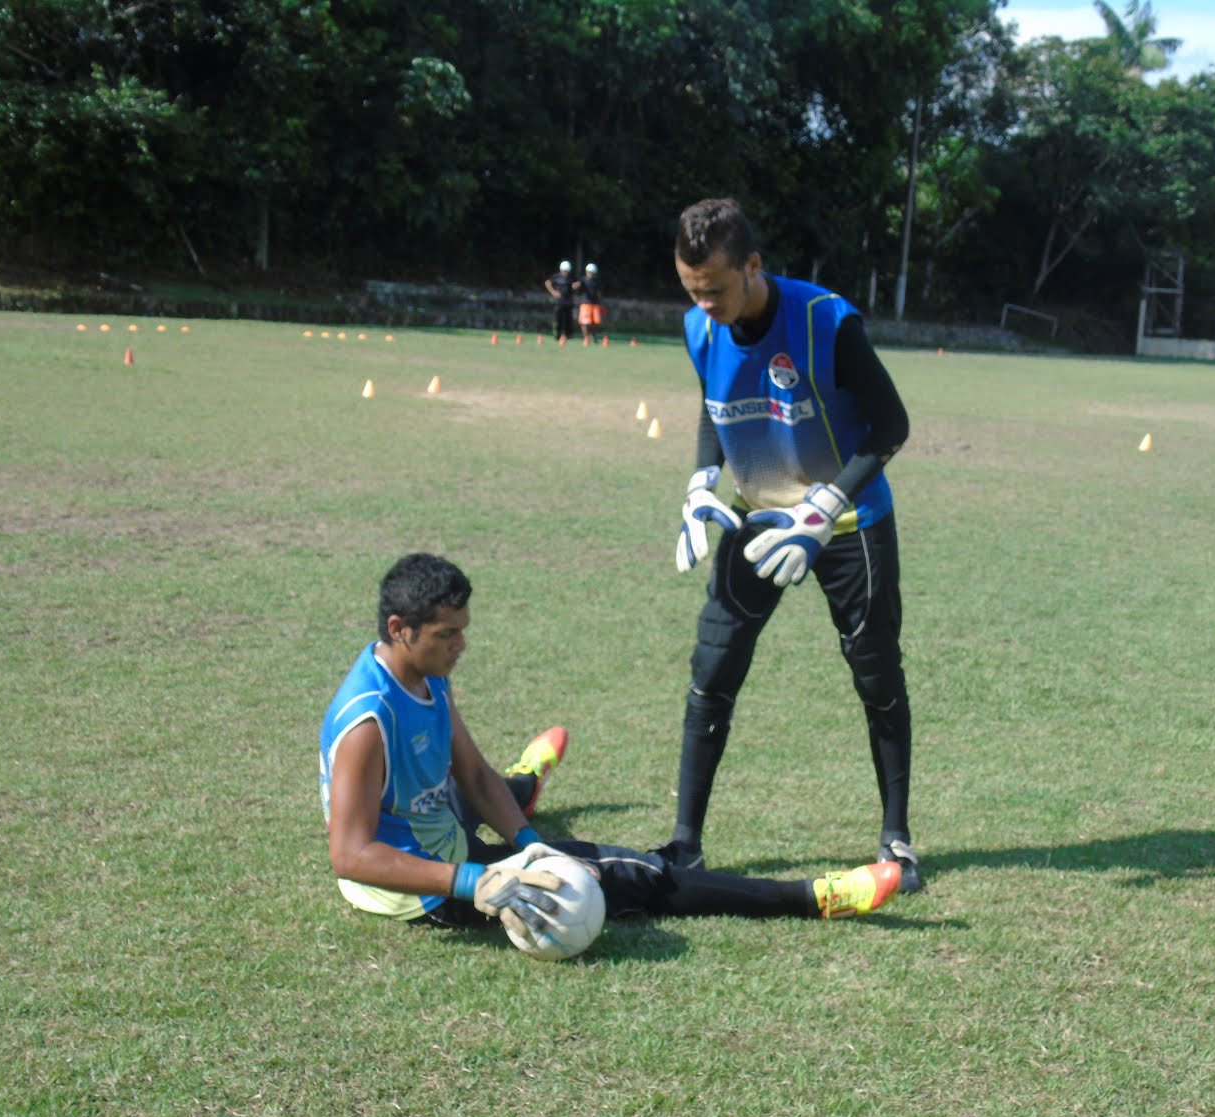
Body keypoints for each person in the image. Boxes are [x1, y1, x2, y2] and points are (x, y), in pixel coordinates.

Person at [319, 552, 903, 939]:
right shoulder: (368, 723)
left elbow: (470, 773)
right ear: (400, 630)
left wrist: (526, 844)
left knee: (488, 791)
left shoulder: (424, 673)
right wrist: (473, 882)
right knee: (630, 872)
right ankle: (812, 897)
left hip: (434, 821)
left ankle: (526, 785)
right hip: (416, 887)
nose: (461, 645)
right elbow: (349, 854)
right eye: (448, 635)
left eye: (463, 630)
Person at [662, 196, 922, 893]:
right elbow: (717, 407)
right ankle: (685, 843)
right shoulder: (698, 327)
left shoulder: (823, 320)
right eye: (692, 291)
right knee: (711, 670)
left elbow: (891, 424)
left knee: (875, 676)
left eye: (715, 288)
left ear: (753, 265)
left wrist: (828, 502)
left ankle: (897, 838)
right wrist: (698, 482)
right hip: (755, 521)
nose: (704, 304)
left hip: (847, 524)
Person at [543, 259, 578, 342]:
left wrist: (576, 287)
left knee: (568, 320)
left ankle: (568, 336)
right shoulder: (556, 277)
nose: (566, 272)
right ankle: (557, 335)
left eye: (567, 271)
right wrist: (553, 292)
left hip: (569, 301)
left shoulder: (572, 277)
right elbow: (547, 283)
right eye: (564, 271)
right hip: (559, 302)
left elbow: (578, 284)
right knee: (558, 319)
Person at [578, 262, 606, 344]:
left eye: (592, 273)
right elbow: (577, 288)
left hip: (595, 304)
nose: (590, 274)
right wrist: (576, 286)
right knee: (585, 322)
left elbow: (599, 293)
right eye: (589, 272)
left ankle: (594, 336)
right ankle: (586, 338)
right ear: (586, 272)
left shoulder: (596, 282)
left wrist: (601, 303)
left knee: (596, 322)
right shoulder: (582, 280)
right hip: (585, 304)